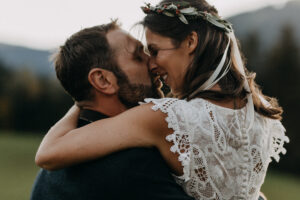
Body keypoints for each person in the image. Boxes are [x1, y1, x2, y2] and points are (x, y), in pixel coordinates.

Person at [35, 0, 289, 199]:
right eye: (142, 55)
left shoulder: (167, 119)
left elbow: (48, 153)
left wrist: (79, 102)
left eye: (154, 51)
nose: (151, 63)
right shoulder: (258, 112)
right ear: (102, 81)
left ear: (191, 42)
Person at [30, 21, 195, 200]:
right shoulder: (133, 166)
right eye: (138, 57)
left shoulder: (49, 173)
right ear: (103, 80)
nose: (154, 63)